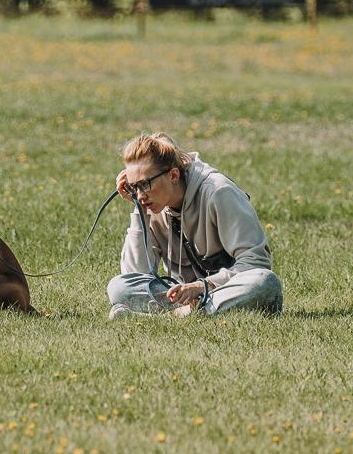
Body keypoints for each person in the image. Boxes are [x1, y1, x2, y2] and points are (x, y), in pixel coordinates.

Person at [107, 132, 283, 318]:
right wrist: (139, 213)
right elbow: (137, 275)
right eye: (134, 187)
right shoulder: (149, 204)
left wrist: (203, 286)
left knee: (265, 282)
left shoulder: (219, 192)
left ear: (173, 175)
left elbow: (257, 263)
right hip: (185, 295)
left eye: (144, 184)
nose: (140, 195)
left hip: (230, 288)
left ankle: (172, 316)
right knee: (118, 286)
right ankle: (192, 312)